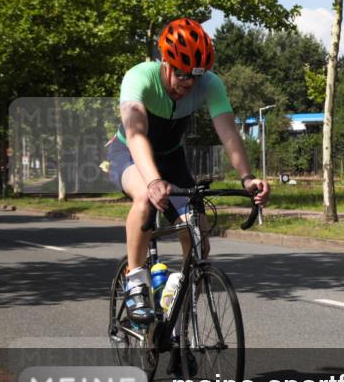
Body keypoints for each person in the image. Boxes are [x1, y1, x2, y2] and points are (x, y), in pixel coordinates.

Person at [107, 18, 269, 324]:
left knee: (197, 232)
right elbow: (137, 132)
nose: (190, 84)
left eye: (197, 75)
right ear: (165, 63)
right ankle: (136, 279)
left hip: (171, 158)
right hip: (128, 153)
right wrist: (154, 181)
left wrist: (247, 177)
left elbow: (228, 133)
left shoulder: (210, 83)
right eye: (183, 75)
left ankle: (181, 317)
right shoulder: (139, 78)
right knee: (144, 197)